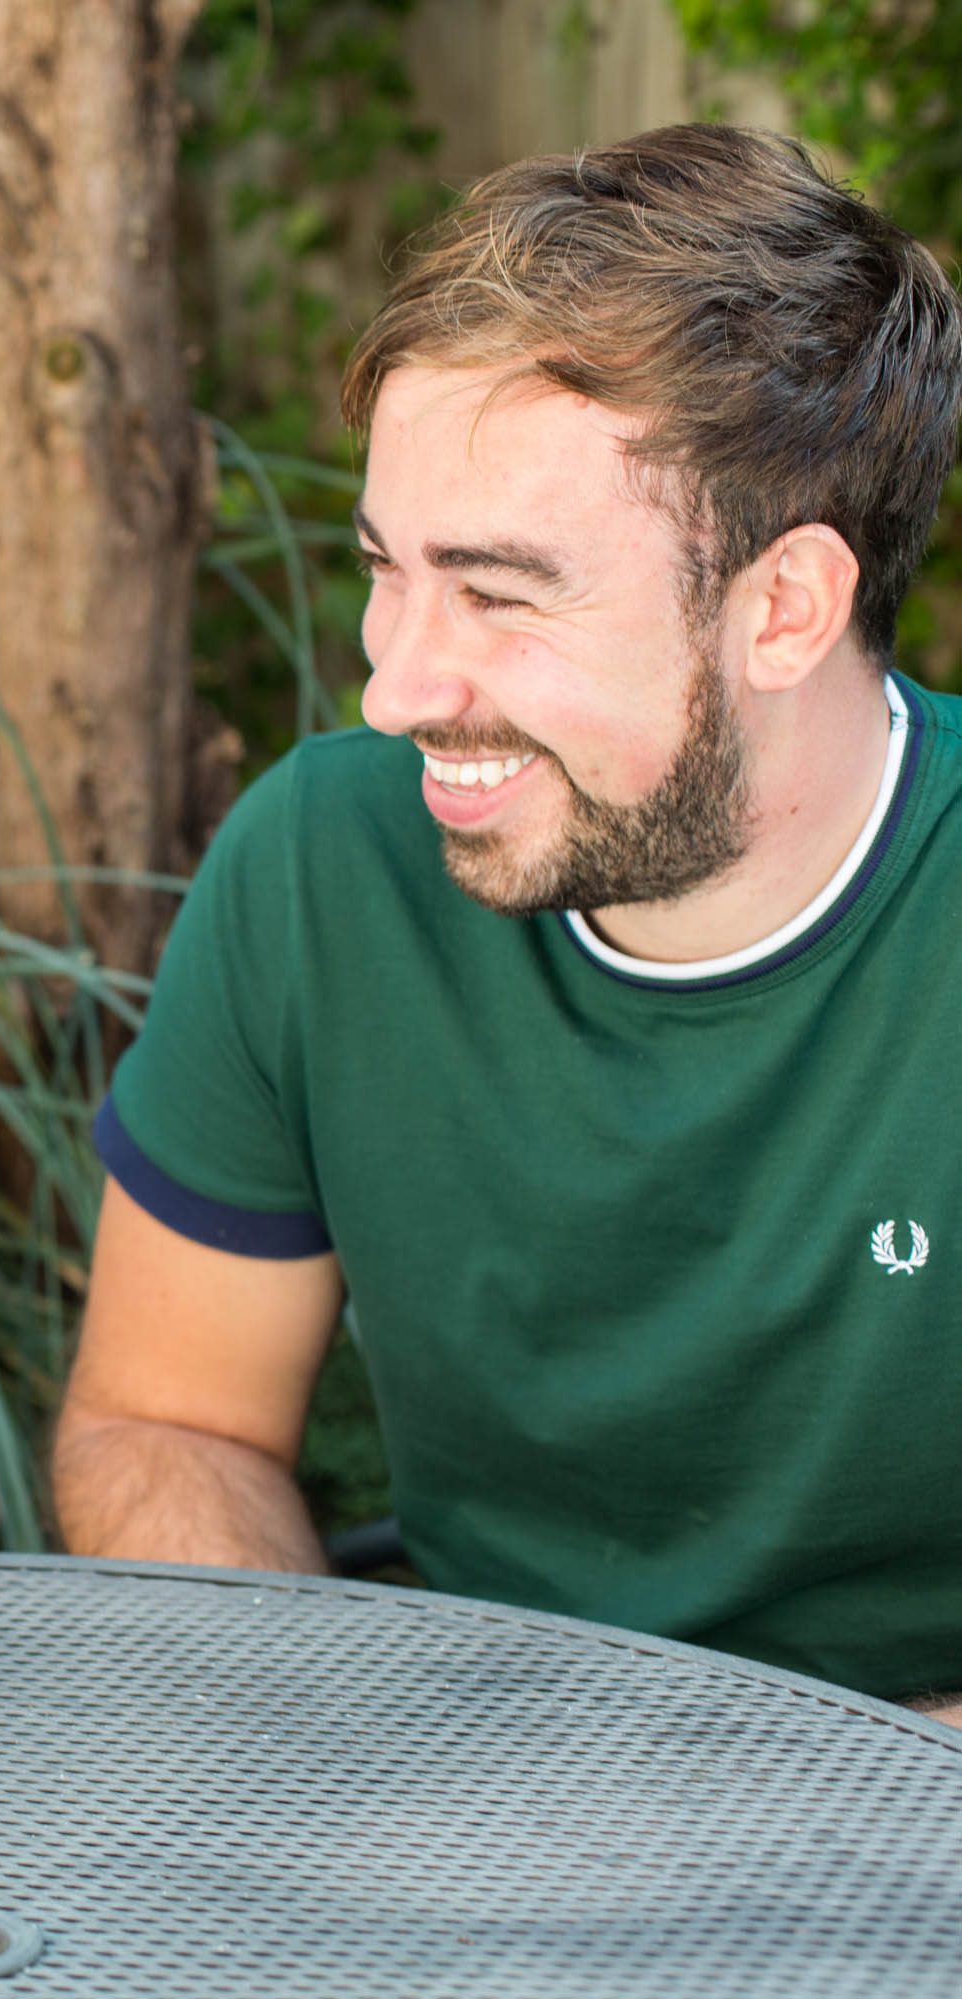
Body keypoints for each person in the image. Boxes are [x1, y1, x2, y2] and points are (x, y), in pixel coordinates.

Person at [56, 125, 962, 1720]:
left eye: (498, 593)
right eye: (385, 573)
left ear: (785, 607)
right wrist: (337, 1759)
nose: (394, 684)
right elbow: (168, 1423)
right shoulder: (325, 866)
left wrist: (787, 1841)